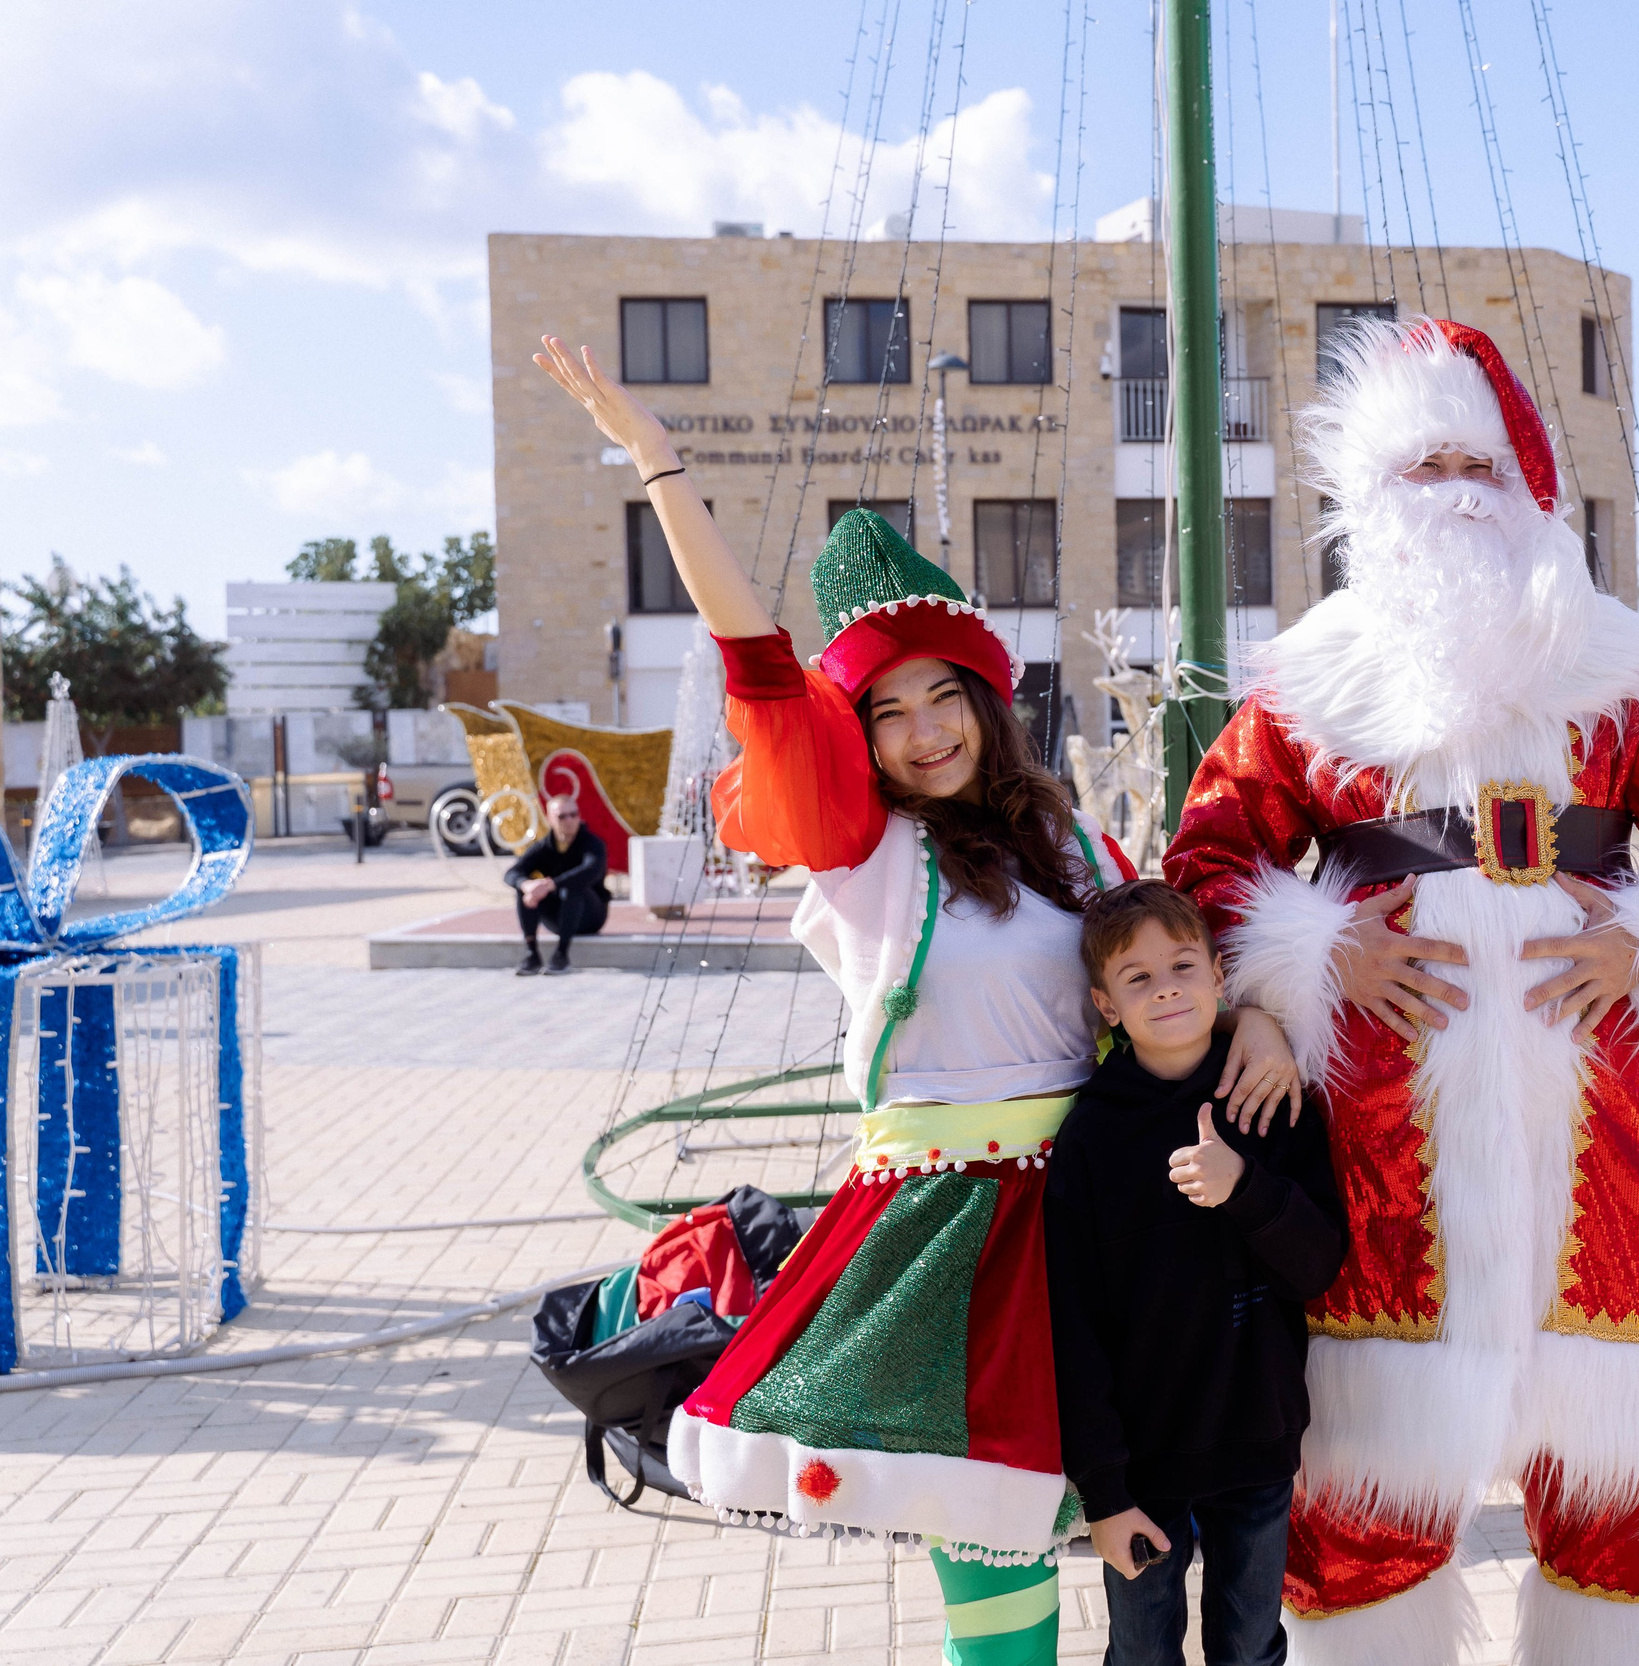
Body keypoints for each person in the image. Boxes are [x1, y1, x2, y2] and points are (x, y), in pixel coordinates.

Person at [530, 336, 1304, 1666]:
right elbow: (764, 671)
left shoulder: (1078, 849)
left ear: (992, 704)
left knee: (1156, 1526)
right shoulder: (866, 849)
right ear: (860, 740)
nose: (927, 729)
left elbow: (1174, 962)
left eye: (949, 695)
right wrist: (658, 463)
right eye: (889, 711)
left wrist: (1265, 1014)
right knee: (990, 1544)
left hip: (1106, 1201)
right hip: (957, 1225)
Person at [1161, 317, 1639, 1664]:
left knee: (1622, 1503)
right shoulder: (1313, 677)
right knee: (1367, 1505)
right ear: (1369, 499)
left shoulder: (1622, 662)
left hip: (1613, 1121)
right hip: (1387, 1129)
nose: (1449, 485)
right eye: (1418, 461)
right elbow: (1209, 854)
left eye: (1472, 456)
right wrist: (1316, 955)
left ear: (1527, 480)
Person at [1047, 882, 1346, 1666]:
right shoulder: (1089, 1140)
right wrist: (1104, 1495)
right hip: (1143, 1468)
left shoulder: (1270, 1101)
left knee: (1249, 1651)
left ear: (1220, 976)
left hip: (1257, 1445)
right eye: (1137, 978)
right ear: (1105, 1005)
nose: (1166, 987)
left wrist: (1242, 1188)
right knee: (1143, 1654)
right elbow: (1073, 1331)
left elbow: (1317, 1265)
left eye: (1181, 965)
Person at [505, 794, 608, 975]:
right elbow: (512, 873)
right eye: (562, 816)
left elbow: (590, 871)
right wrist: (527, 885)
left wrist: (552, 884)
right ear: (549, 818)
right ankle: (532, 955)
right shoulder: (544, 846)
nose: (569, 820)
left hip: (590, 916)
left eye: (573, 814)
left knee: (571, 888)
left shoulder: (593, 844)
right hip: (557, 919)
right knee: (525, 891)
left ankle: (561, 955)